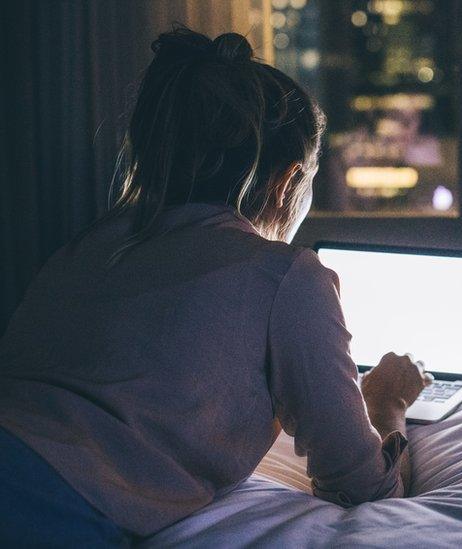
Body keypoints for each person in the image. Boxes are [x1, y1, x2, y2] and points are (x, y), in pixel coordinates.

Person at [0, 26, 432, 546]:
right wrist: (384, 401)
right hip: (43, 504)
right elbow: (362, 486)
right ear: (287, 181)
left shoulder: (87, 246)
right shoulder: (285, 274)